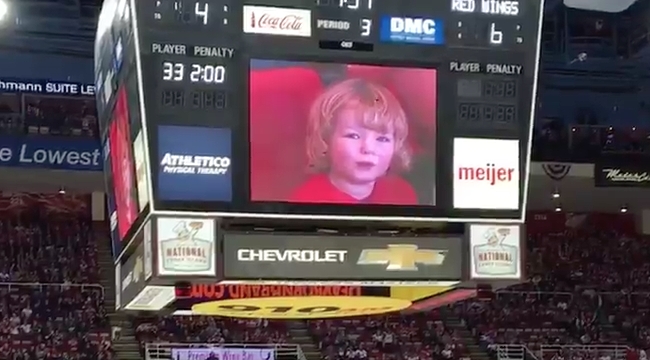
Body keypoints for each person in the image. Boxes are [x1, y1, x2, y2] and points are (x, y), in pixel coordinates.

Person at [289, 78, 418, 204]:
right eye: (353, 136)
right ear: (326, 139)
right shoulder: (308, 200)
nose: (368, 148)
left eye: (382, 139)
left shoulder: (402, 194)